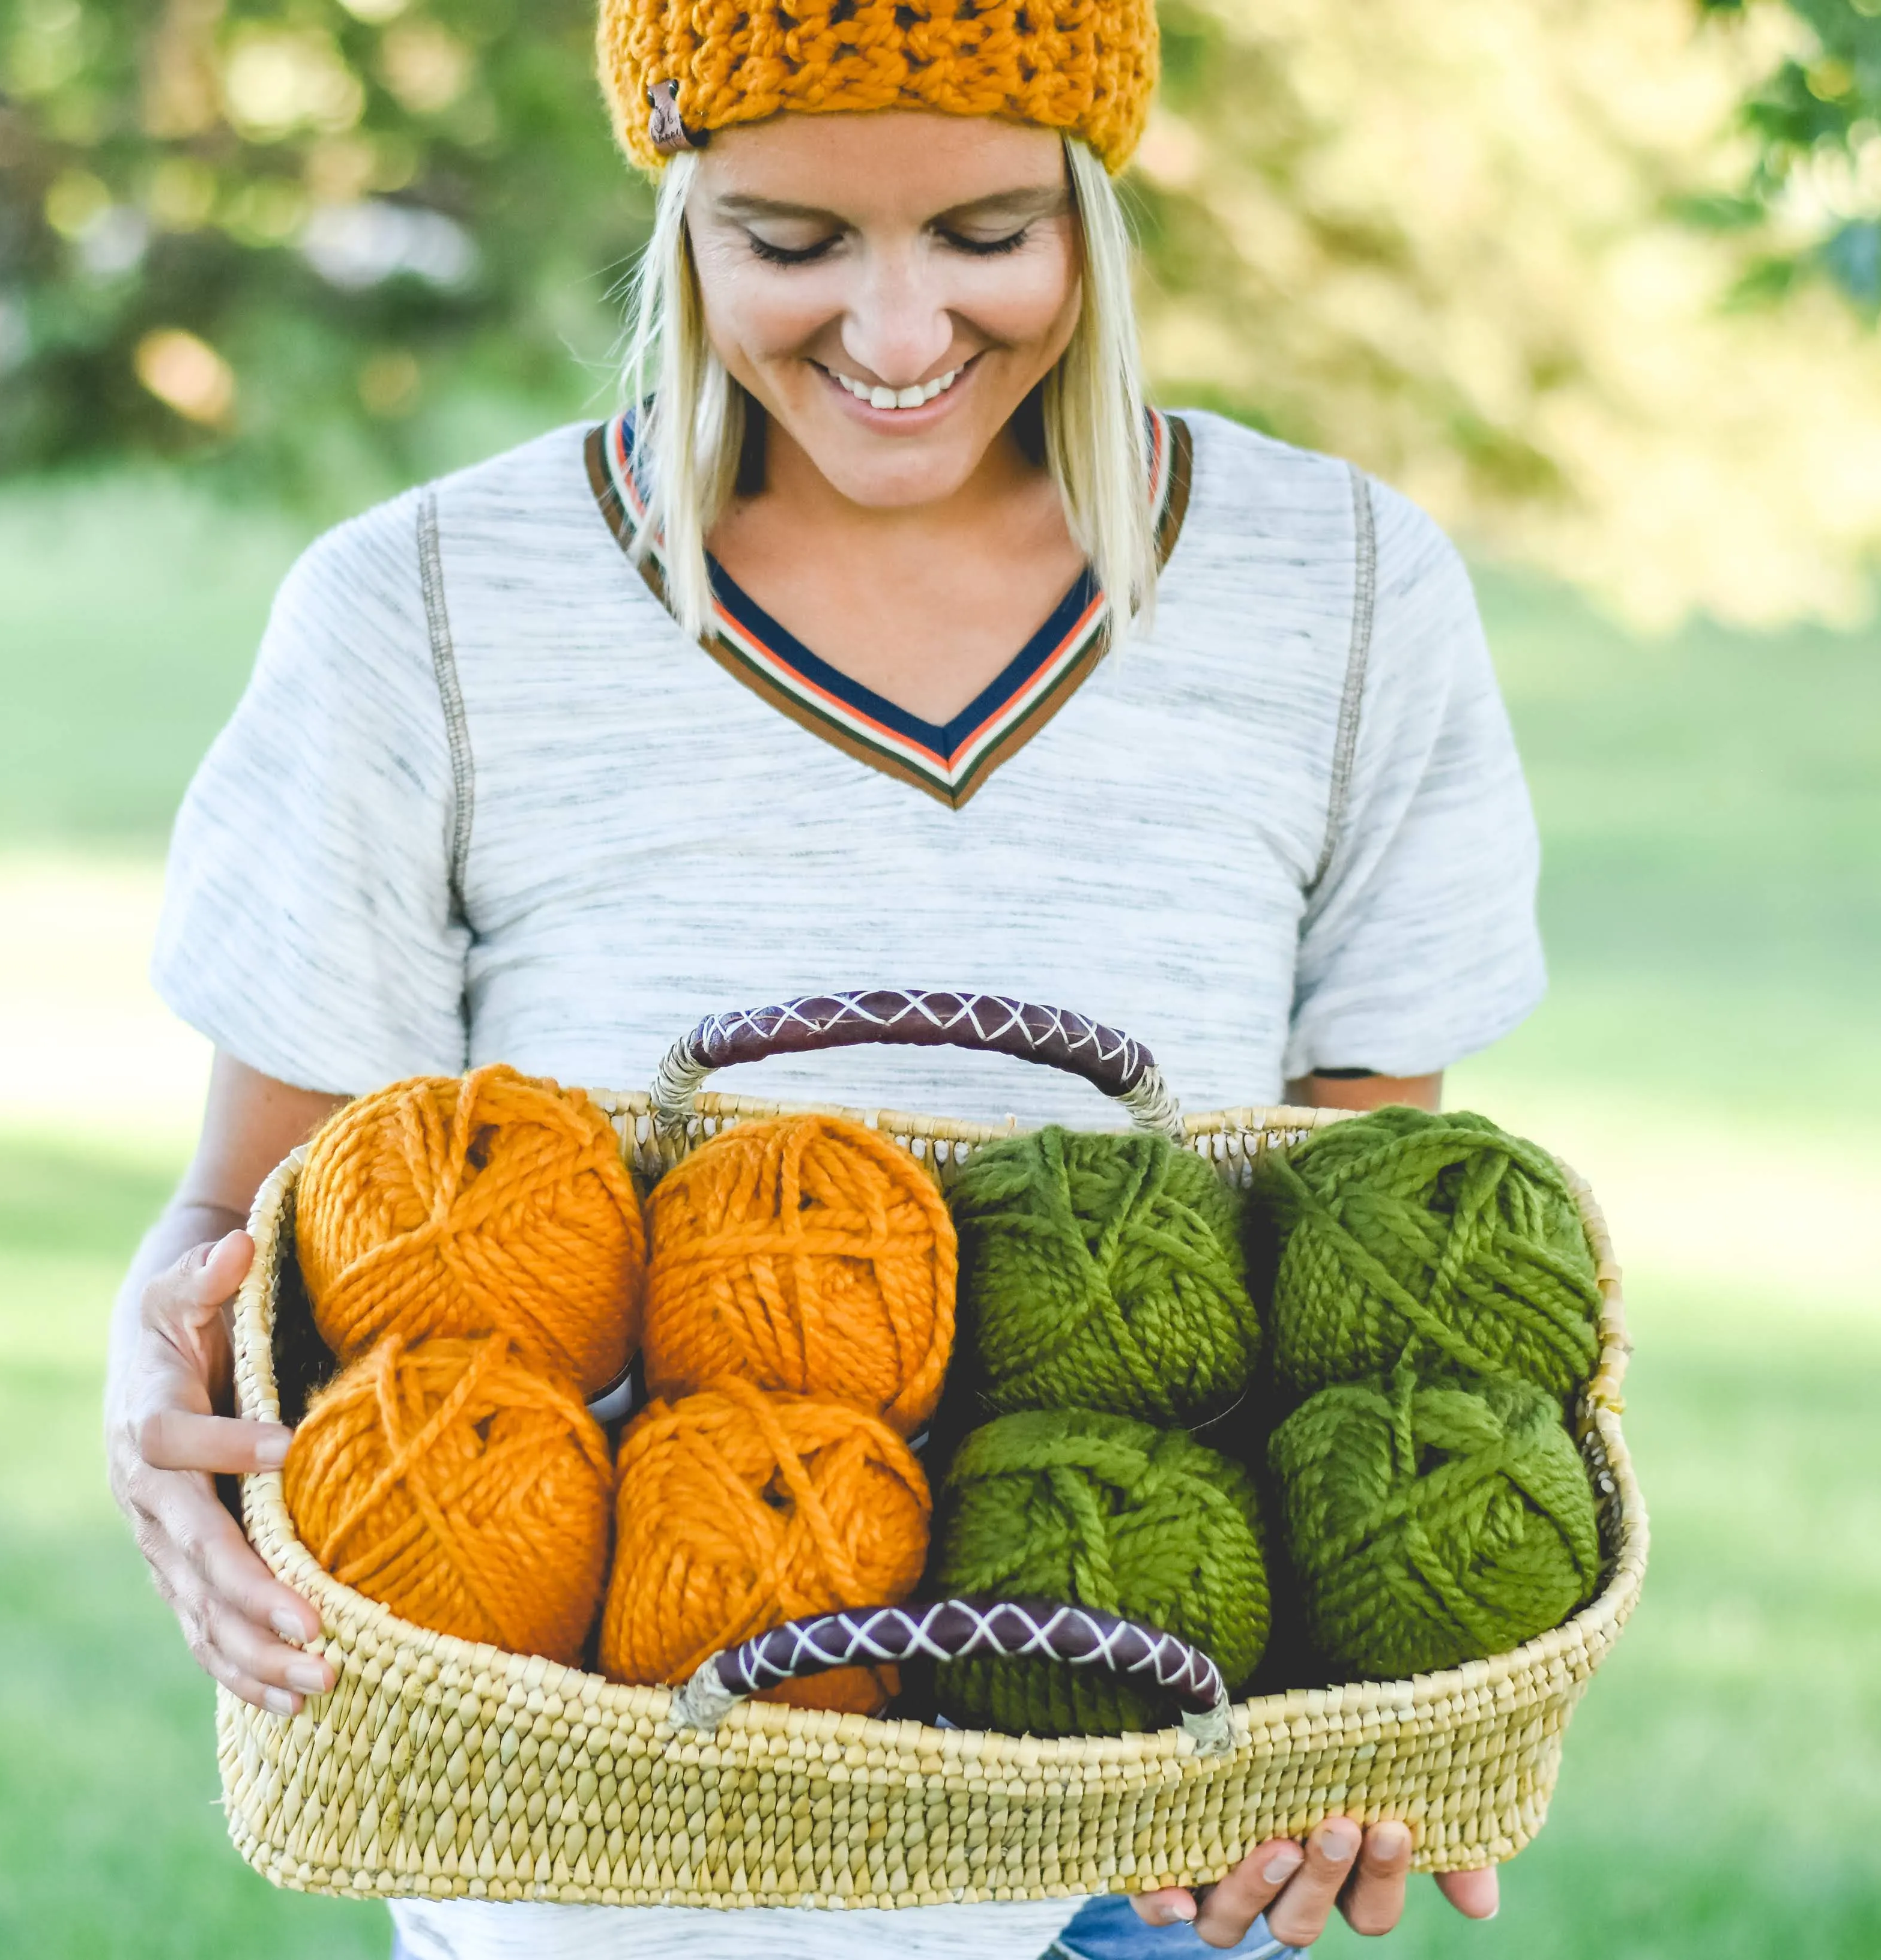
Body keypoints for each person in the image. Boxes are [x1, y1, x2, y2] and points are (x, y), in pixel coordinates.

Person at [105, 3, 1536, 1955]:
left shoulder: (1342, 592)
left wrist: (1360, 1721)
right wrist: (146, 1393)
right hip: (608, 1879)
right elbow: (242, 1226)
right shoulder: (429, 612)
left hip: (1131, 1863)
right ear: (682, 214)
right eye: (791, 244)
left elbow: (1354, 1302)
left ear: (1093, 210)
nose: (891, 335)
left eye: (983, 234)